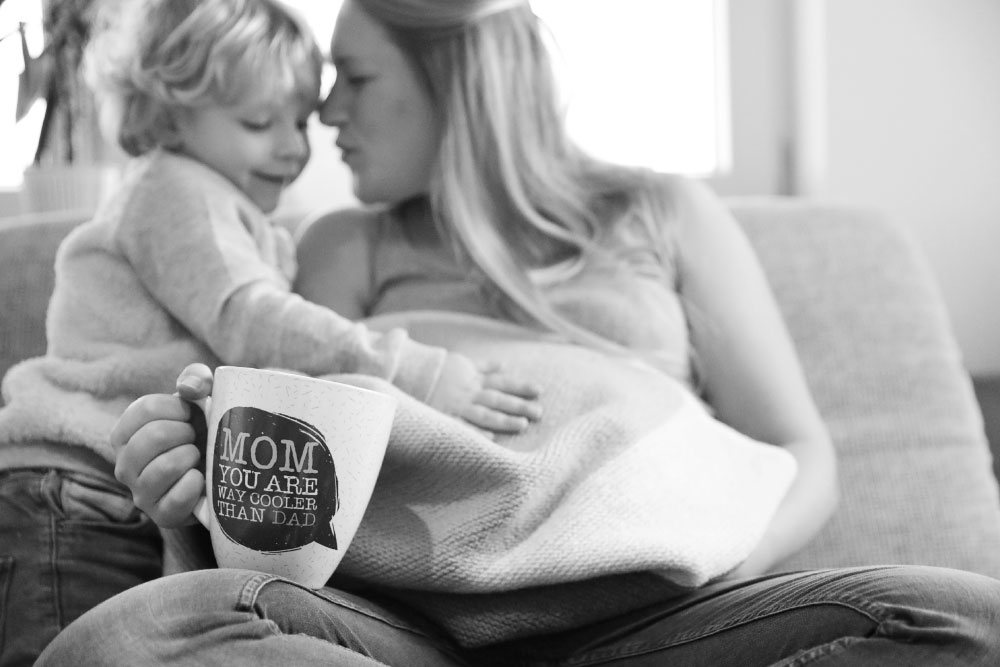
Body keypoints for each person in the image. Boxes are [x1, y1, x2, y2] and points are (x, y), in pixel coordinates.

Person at [33, 0, 1000, 664]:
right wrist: (181, 510)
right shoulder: (344, 245)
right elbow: (287, 473)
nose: (324, 113)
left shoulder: (660, 214)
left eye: (355, 78)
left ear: (455, 76)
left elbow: (802, 452)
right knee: (135, 635)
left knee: (960, 618)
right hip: (405, 626)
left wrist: (691, 559)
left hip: (665, 616)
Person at [0, 1, 540, 665]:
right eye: (260, 122)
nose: (292, 147)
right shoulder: (177, 193)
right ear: (168, 114)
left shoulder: (241, 216)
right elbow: (255, 322)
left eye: (298, 120)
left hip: (132, 492)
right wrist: (413, 369)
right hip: (73, 485)